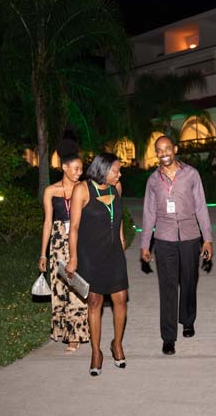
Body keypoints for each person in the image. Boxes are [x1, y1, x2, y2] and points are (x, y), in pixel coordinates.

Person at [140, 135, 213, 355]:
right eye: (159, 150)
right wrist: (145, 244)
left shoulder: (191, 174)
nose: (163, 153)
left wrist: (207, 238)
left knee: (189, 281)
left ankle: (188, 321)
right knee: (168, 287)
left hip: (190, 236)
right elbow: (149, 213)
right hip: (164, 239)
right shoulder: (153, 181)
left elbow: (201, 207)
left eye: (167, 148)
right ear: (156, 153)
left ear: (175, 149)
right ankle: (168, 337)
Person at [67, 153, 128, 376]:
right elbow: (74, 228)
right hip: (90, 255)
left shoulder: (116, 188)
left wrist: (121, 241)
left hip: (114, 253)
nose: (119, 175)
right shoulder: (82, 190)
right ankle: (96, 352)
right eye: (116, 171)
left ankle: (117, 344)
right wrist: (73, 258)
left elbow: (118, 219)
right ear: (103, 170)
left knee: (120, 299)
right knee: (95, 302)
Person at [39, 139, 89, 354]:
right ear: (64, 168)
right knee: (60, 289)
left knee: (76, 287)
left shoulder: (84, 188)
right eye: (76, 169)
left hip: (80, 241)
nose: (79, 172)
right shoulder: (51, 191)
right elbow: (47, 222)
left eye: (81, 169)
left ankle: (75, 337)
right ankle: (62, 330)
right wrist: (43, 254)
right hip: (58, 243)